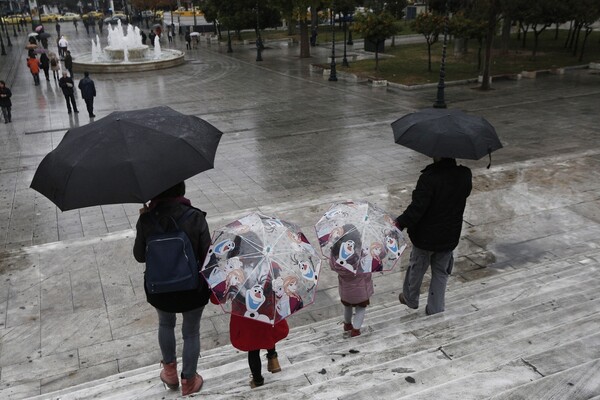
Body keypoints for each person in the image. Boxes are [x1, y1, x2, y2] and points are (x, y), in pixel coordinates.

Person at [133, 182, 211, 397]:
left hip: (160, 289)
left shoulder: (146, 219)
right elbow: (207, 256)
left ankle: (169, 374)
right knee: (191, 331)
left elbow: (139, 256)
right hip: (192, 288)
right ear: (181, 189)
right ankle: (189, 381)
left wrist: (145, 221)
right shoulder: (195, 217)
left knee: (165, 324)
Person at [210, 233, 288, 389]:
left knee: (253, 350)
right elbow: (277, 289)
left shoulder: (232, 270)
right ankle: (273, 359)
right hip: (267, 314)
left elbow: (217, 298)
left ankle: (258, 380)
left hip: (245, 319)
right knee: (267, 335)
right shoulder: (270, 265)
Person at [396, 157, 472, 315]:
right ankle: (435, 308)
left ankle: (410, 298)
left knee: (417, 267)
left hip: (425, 238)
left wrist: (399, 224)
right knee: (441, 273)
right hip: (449, 237)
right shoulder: (465, 175)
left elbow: (417, 209)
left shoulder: (429, 179)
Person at [329, 224, 371, 337]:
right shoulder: (359, 252)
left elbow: (332, 266)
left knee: (347, 306)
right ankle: (356, 330)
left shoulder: (335, 254)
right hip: (361, 290)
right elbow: (368, 264)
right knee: (360, 308)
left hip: (345, 290)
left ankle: (347, 324)